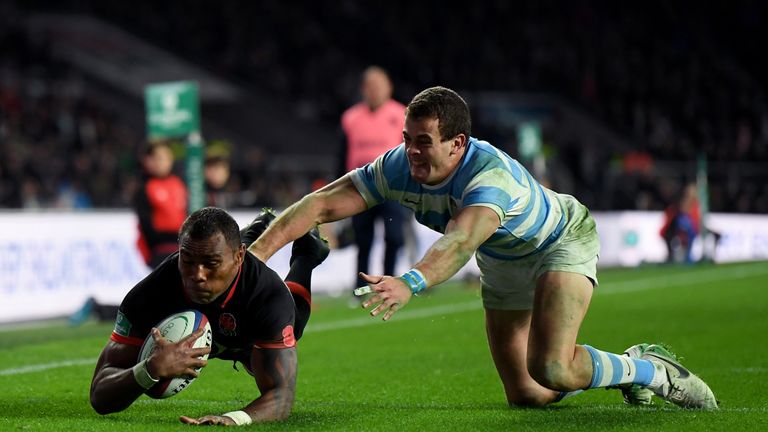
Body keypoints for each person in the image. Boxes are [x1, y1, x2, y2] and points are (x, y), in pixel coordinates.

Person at [249, 86, 718, 409]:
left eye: (424, 142)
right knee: (528, 394)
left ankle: (648, 370)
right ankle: (611, 370)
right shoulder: (399, 165)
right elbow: (321, 204)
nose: (411, 151)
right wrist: (254, 258)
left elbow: (460, 243)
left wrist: (410, 281)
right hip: (503, 260)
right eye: (407, 139)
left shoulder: (489, 178)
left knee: (551, 366)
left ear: (458, 143)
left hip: (559, 242)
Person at [89, 207, 329, 425]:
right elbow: (99, 395)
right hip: (230, 299)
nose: (198, 275)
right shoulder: (150, 294)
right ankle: (252, 233)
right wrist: (149, 369)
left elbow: (281, 396)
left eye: (211, 263)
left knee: (293, 326)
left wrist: (232, 419)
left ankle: (306, 256)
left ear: (239, 256)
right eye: (187, 261)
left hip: (245, 336)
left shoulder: (268, 295)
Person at [340, 66, 407, 291]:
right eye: (370, 86)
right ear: (363, 89)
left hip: (393, 188)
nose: (375, 90)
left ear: (389, 88)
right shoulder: (350, 118)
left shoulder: (402, 115)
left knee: (395, 237)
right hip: (360, 188)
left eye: (379, 85)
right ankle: (361, 288)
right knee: (362, 240)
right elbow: (341, 155)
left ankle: (388, 283)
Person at [135, 141, 189, 268]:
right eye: (158, 158)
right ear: (147, 161)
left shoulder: (179, 184)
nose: (162, 162)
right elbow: (146, 226)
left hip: (182, 247)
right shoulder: (145, 188)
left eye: (166, 158)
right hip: (160, 250)